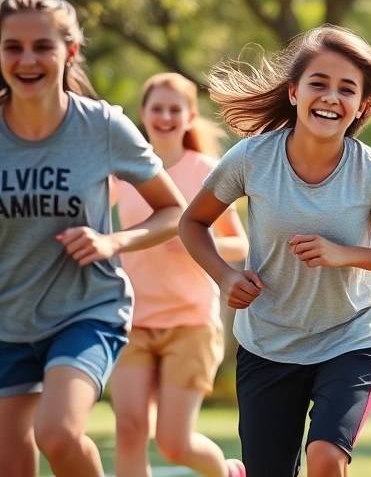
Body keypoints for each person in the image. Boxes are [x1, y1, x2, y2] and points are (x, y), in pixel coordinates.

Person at [178, 25, 371, 477]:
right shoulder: (252, 158)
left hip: (351, 335)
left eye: (347, 89)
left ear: (364, 105)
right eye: (318, 83)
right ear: (294, 91)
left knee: (325, 457)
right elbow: (192, 222)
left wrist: (347, 254)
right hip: (268, 341)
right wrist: (225, 276)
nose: (331, 98)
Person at [0, 0, 186, 477]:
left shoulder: (101, 127)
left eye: (42, 46)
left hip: (86, 309)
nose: (27, 59)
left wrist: (113, 242)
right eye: (12, 47)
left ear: (69, 52)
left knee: (57, 434)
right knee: (11, 464)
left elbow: (174, 212)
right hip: (6, 318)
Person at [110, 73, 248, 477]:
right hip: (132, 318)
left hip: (189, 322)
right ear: (143, 114)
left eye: (175, 109)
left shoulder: (206, 169)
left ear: (189, 116)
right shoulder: (126, 168)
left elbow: (239, 246)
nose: (165, 116)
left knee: (173, 442)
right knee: (130, 428)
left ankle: (228, 473)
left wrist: (195, 243)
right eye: (157, 108)